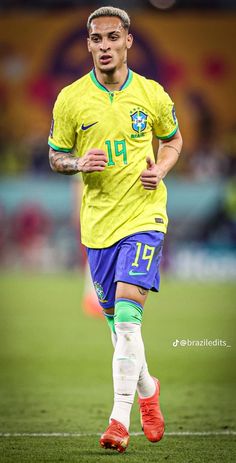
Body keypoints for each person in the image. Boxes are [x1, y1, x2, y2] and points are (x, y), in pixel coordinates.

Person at [48, 6, 183, 453]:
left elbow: (174, 140)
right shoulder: (70, 99)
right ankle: (147, 390)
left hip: (145, 219)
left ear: (128, 41)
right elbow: (56, 156)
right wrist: (76, 163)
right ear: (87, 45)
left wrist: (161, 168)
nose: (104, 46)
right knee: (120, 329)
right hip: (99, 227)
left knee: (127, 320)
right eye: (96, 39)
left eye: (112, 38)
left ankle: (118, 422)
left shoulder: (152, 93)